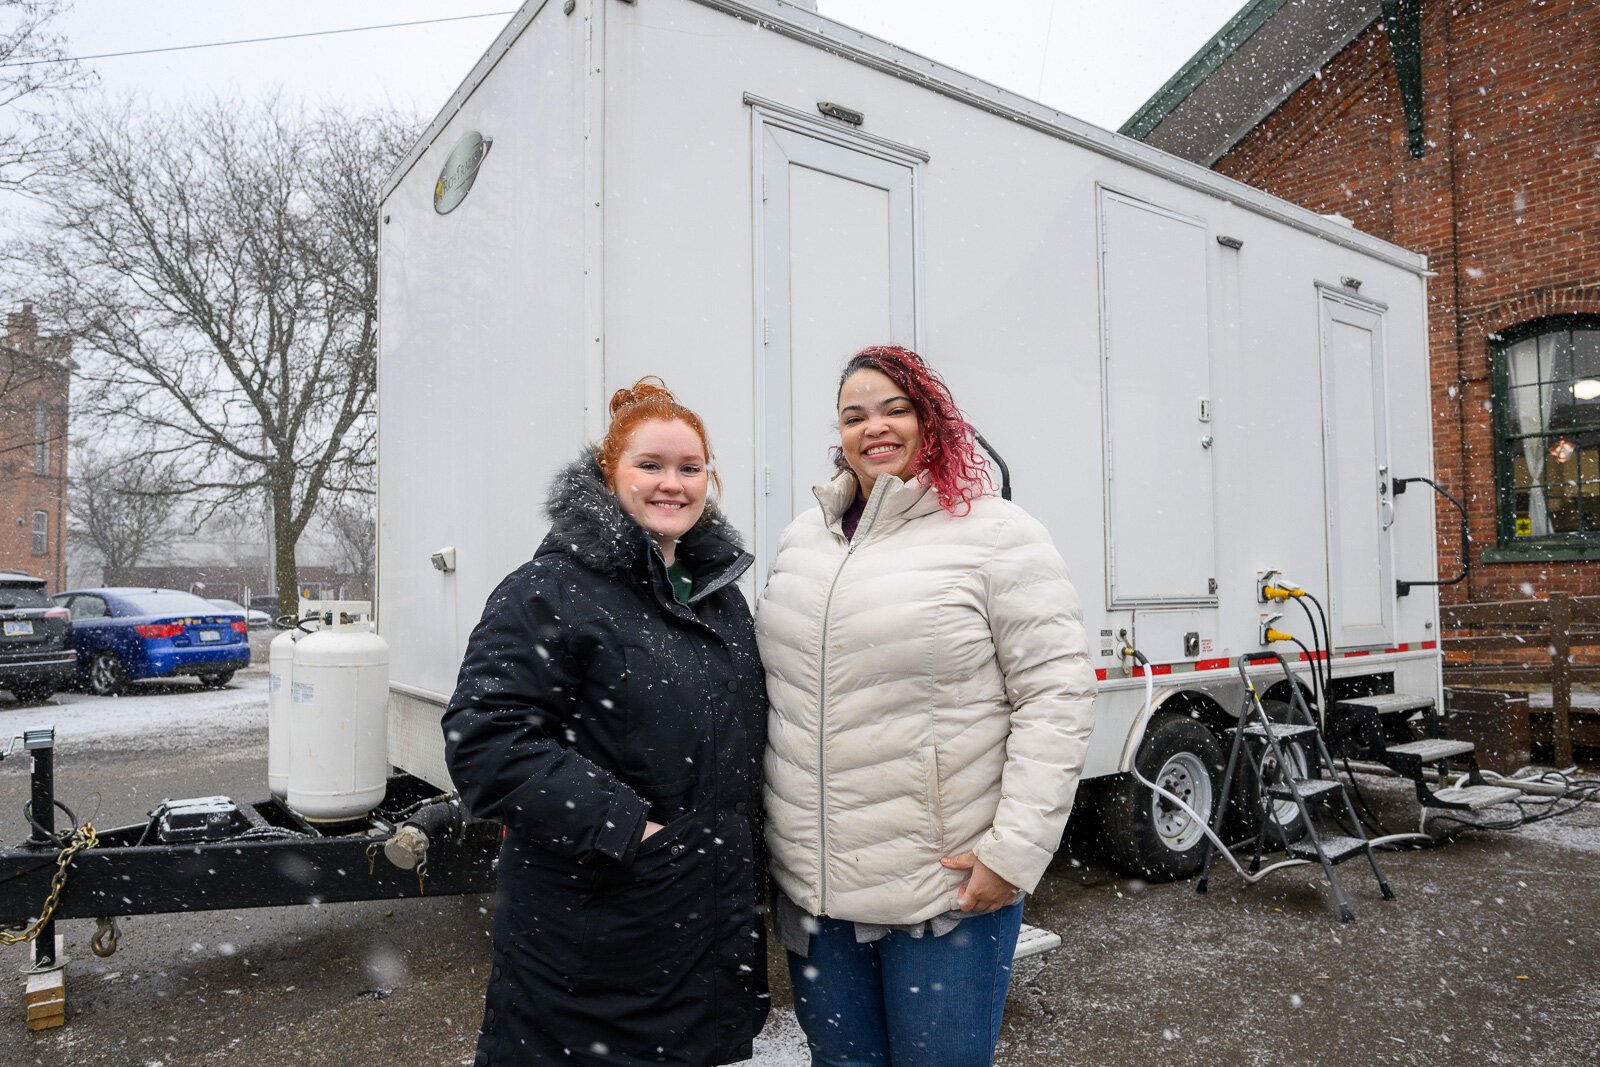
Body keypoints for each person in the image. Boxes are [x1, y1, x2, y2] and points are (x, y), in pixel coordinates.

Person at [756, 345, 1097, 1066]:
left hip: (941, 897)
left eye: (894, 409)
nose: (873, 428)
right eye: (854, 415)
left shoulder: (997, 533)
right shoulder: (803, 539)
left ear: (930, 419)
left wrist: (1012, 852)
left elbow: (1056, 695)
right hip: (818, 901)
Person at [443, 378, 769, 1067]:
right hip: (592, 934)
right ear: (606, 474)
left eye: (690, 468)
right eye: (649, 465)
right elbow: (487, 739)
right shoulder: (549, 590)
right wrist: (631, 830)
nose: (671, 484)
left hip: (702, 934)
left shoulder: (721, 602)